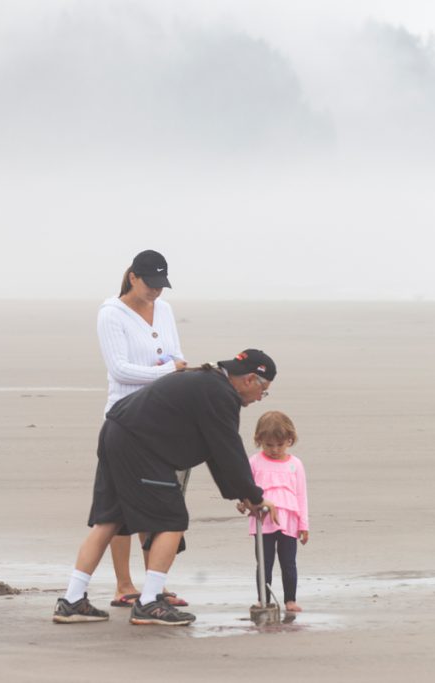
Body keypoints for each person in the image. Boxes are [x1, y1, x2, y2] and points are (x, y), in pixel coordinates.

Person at [52, 349, 280, 626]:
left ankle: (72, 600)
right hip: (141, 447)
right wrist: (254, 496)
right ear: (250, 380)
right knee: (172, 521)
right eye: (263, 390)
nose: (259, 398)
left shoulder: (205, 380)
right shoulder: (220, 395)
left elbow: (216, 453)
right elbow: (228, 451)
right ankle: (149, 602)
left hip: (116, 432)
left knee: (109, 520)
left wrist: (245, 493)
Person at [96, 249, 189, 609]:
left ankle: (155, 585)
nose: (155, 292)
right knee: (119, 507)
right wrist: (168, 371)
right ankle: (124, 584)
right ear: (133, 277)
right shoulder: (111, 314)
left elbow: (175, 353)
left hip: (161, 418)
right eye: (150, 284)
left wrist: (173, 368)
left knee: (159, 499)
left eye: (161, 286)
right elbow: (120, 370)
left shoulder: (163, 310)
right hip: (124, 418)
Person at [243, 411, 309, 613]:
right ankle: (263, 597)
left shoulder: (295, 464)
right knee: (264, 562)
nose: (274, 450)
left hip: (289, 520)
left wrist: (303, 525)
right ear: (259, 440)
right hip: (262, 521)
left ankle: (290, 599)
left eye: (280, 445)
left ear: (290, 440)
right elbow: (246, 487)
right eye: (268, 445)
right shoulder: (254, 462)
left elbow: (301, 496)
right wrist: (243, 502)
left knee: (288, 562)